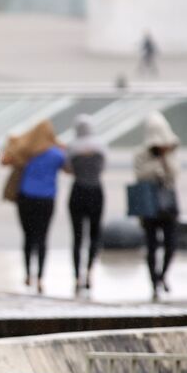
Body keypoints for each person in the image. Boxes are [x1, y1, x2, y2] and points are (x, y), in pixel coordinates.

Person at [3, 120, 65, 294]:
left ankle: (28, 273)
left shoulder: (26, 152)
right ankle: (40, 277)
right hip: (46, 199)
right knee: (43, 237)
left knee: (28, 236)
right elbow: (69, 167)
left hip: (26, 198)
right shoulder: (56, 154)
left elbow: (6, 159)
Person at [133, 112, 181, 301]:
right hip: (149, 205)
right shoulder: (140, 154)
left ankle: (163, 275)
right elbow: (140, 175)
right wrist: (154, 161)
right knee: (151, 246)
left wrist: (164, 156)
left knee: (171, 244)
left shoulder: (170, 153)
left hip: (168, 205)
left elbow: (175, 175)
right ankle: (154, 282)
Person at [64, 115, 106, 293]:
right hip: (96, 190)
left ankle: (76, 275)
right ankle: (89, 271)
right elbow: (103, 167)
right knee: (94, 235)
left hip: (78, 190)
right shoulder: (101, 146)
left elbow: (68, 168)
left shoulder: (72, 147)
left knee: (77, 236)